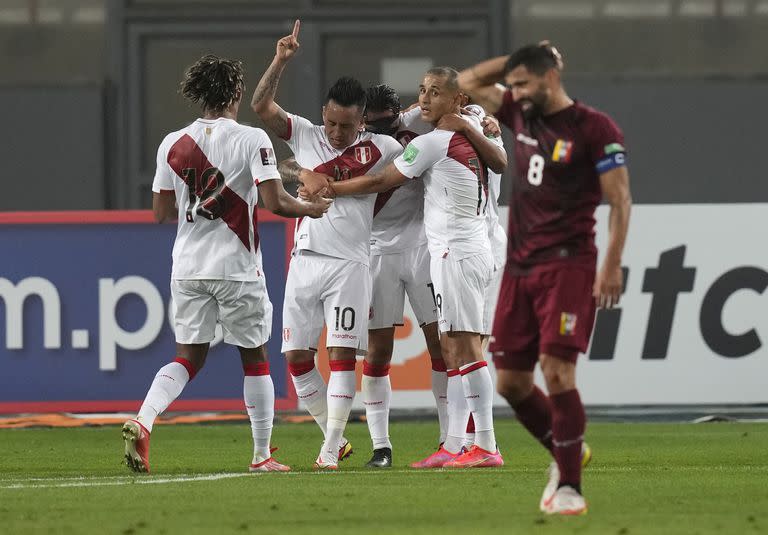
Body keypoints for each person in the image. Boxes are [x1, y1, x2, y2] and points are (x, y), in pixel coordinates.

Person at [121, 54, 331, 474]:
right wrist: (312, 208)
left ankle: (143, 420)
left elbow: (160, 212)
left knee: (188, 357)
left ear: (199, 94)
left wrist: (198, 195)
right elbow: (274, 203)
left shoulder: (171, 143)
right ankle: (261, 456)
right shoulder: (253, 140)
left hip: (188, 267)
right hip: (236, 266)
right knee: (255, 359)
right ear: (236, 92)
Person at [458, 42, 632, 514]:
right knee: (511, 382)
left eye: (523, 83)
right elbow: (466, 83)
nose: (514, 92)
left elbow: (620, 201)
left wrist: (611, 265)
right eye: (512, 85)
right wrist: (515, 58)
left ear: (551, 77)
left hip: (568, 264)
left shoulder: (594, 129)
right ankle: (566, 450)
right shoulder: (520, 114)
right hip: (519, 267)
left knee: (557, 371)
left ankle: (570, 486)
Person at [312, 67, 507, 469]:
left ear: (454, 100)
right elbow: (499, 158)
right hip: (408, 250)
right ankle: (445, 445)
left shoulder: (433, 138)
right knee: (444, 347)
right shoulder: (462, 126)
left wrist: (328, 187)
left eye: (434, 92)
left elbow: (381, 179)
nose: (424, 98)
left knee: (459, 349)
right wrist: (479, 123)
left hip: (444, 250)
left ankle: (477, 443)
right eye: (421, 91)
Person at [251, 20, 403, 469]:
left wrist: (478, 119)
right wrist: (280, 59)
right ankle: (333, 438)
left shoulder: (383, 147)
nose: (336, 133)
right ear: (323, 113)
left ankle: (327, 452)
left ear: (363, 120)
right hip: (304, 259)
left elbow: (418, 128)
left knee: (340, 357)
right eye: (331, 122)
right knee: (297, 358)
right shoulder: (306, 134)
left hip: (350, 264)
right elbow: (262, 107)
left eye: (346, 125)